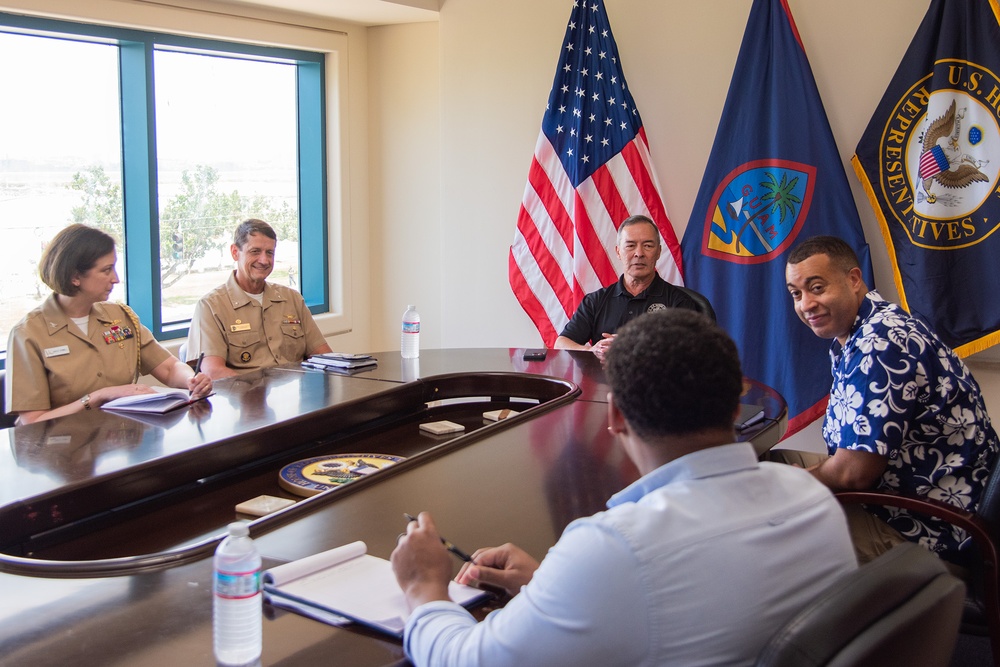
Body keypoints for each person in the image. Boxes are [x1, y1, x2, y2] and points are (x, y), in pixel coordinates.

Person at [391, 310, 857, 667]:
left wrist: (424, 587)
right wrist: (550, 588)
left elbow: (466, 660)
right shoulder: (813, 499)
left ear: (613, 416)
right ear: (737, 403)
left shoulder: (616, 548)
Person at [781, 235, 998, 568]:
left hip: (933, 529)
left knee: (772, 529)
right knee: (776, 462)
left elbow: (854, 475)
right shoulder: (867, 327)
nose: (806, 304)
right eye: (797, 293)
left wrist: (793, 486)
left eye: (817, 287)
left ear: (854, 280)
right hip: (905, 493)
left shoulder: (879, 345)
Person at [5, 224, 213, 425]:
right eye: (106, 270)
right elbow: (33, 421)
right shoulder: (29, 334)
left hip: (122, 441)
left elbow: (168, 368)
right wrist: (99, 397)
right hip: (60, 451)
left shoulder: (120, 317)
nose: (116, 279)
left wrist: (191, 379)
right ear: (75, 276)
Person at [185, 219, 332, 379]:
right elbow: (214, 371)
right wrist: (258, 392)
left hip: (300, 396)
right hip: (245, 399)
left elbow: (324, 356)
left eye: (270, 252)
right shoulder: (211, 306)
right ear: (235, 252)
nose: (264, 260)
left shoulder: (292, 299)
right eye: (255, 251)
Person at [554, 214, 699, 359]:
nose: (639, 253)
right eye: (630, 246)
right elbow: (561, 343)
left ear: (658, 252)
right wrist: (592, 350)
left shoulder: (679, 302)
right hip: (603, 380)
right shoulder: (596, 300)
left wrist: (632, 348)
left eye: (648, 246)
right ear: (618, 252)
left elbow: (690, 353)